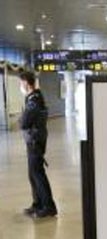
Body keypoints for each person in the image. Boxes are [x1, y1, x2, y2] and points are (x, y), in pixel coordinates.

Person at [19, 71, 57, 218]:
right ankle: (38, 204)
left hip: (35, 141)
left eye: (20, 83)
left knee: (37, 173)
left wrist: (23, 120)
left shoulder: (34, 100)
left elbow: (24, 122)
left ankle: (49, 206)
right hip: (33, 140)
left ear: (26, 83)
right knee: (33, 174)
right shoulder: (33, 98)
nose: (20, 86)